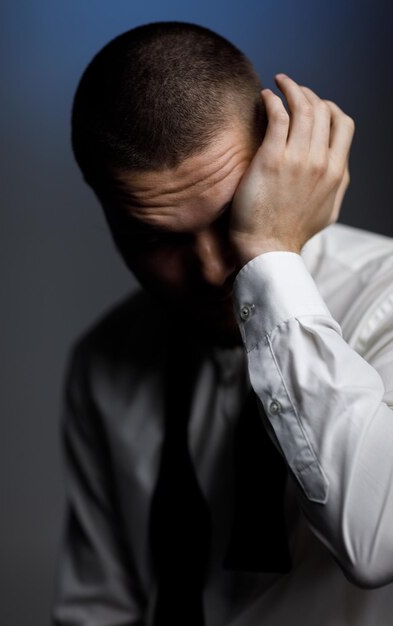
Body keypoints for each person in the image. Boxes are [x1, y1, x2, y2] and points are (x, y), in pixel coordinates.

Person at [52, 21, 393, 626]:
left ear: (280, 158)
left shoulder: (386, 296)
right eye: (156, 238)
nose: (212, 271)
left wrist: (270, 256)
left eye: (232, 212)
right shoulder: (104, 360)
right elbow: (100, 608)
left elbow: (378, 541)